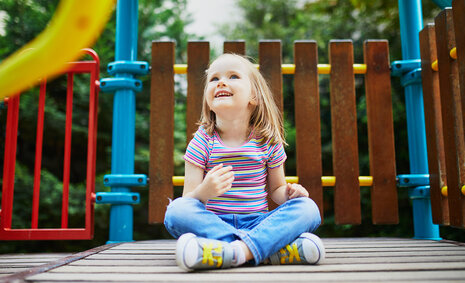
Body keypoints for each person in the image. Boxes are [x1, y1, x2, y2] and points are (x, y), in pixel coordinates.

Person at [164, 53, 324, 271]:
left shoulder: (267, 140)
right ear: (208, 101)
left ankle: (231, 252)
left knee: (308, 208)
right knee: (175, 211)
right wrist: (205, 191)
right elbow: (188, 201)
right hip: (214, 223)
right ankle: (267, 251)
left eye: (233, 76)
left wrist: (289, 194)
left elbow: (276, 189)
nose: (221, 82)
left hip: (259, 223)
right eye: (214, 79)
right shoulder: (202, 142)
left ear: (254, 96)